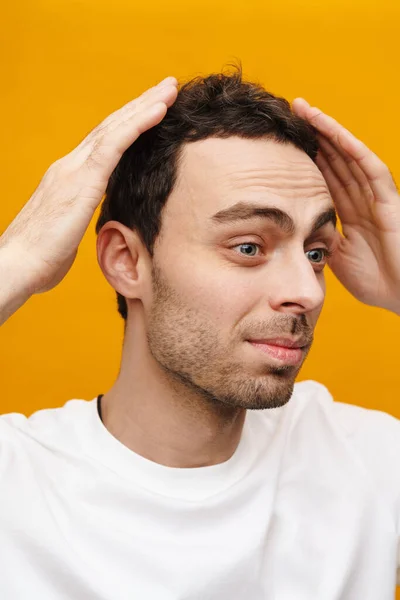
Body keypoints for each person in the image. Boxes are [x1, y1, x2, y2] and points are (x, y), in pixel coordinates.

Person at [1, 68, 399, 600]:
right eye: (249, 247)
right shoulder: (16, 483)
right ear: (127, 260)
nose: (308, 291)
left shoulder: (369, 464)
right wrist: (18, 261)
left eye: (315, 252)